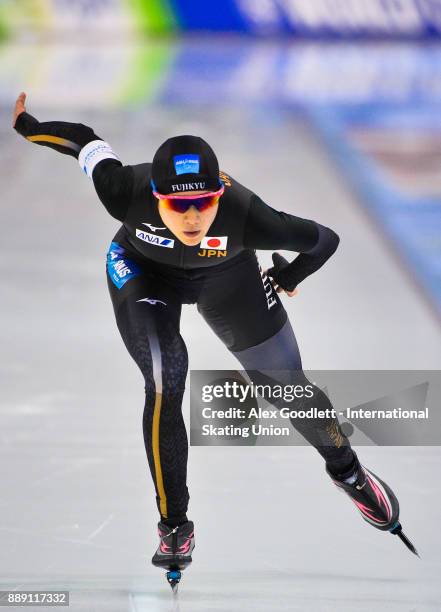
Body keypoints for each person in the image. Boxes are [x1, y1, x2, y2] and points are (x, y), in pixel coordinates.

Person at [13, 92, 407, 571]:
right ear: (155, 197)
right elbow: (84, 142)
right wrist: (31, 128)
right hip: (143, 272)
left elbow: (325, 240)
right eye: (179, 205)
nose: (194, 216)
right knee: (165, 380)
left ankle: (349, 474)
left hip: (228, 275)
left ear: (219, 195)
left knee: (284, 385)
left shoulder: (247, 216)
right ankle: (174, 526)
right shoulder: (124, 190)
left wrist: (288, 277)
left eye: (204, 202)